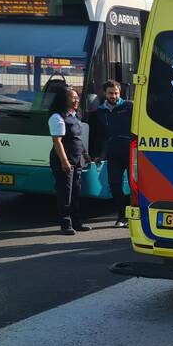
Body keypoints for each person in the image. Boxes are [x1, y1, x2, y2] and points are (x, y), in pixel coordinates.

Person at [49, 86, 91, 235]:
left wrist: (85, 154)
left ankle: (77, 222)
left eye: (77, 98)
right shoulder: (57, 117)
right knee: (65, 193)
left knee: (76, 193)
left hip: (77, 159)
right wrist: (64, 161)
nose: (76, 100)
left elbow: (77, 138)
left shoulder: (73, 116)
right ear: (64, 100)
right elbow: (57, 141)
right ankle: (65, 224)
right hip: (64, 160)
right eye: (73, 98)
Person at [95, 80, 133, 227]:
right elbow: (100, 135)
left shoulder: (129, 106)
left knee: (133, 186)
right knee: (115, 186)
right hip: (113, 154)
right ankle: (121, 216)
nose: (114, 95)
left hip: (130, 153)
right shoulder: (101, 111)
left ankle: (134, 217)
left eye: (116, 93)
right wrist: (99, 154)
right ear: (105, 93)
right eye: (111, 93)